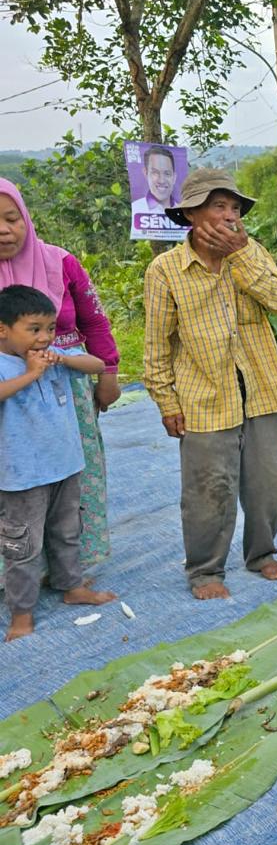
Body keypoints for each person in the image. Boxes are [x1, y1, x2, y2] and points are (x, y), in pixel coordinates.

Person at [142, 168, 277, 599]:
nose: (229, 217)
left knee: (269, 483)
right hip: (203, 396)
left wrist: (242, 255)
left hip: (260, 390)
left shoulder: (250, 252)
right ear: (191, 214)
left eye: (234, 208)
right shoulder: (166, 270)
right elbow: (157, 343)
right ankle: (205, 570)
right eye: (217, 207)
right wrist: (165, 400)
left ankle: (262, 554)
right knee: (209, 489)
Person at [0, 179, 120, 575]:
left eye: (11, 218)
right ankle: (16, 577)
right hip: (7, 403)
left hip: (65, 397)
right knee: (15, 492)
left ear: (26, 218)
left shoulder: (60, 262)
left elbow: (95, 321)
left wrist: (109, 374)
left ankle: (70, 572)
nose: (4, 229)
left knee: (73, 484)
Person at [1, 285, 116, 641]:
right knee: (23, 547)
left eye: (49, 328)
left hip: (65, 465)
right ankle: (22, 613)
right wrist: (31, 375)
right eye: (33, 329)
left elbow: (96, 364)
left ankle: (71, 585)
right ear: (2, 330)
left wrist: (62, 358)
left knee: (67, 532)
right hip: (21, 477)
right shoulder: (7, 366)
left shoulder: (56, 356)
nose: (44, 337)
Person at [131, 146, 179, 213]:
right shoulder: (136, 209)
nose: (161, 181)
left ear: (174, 177)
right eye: (155, 172)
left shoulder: (183, 212)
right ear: (146, 173)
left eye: (167, 173)